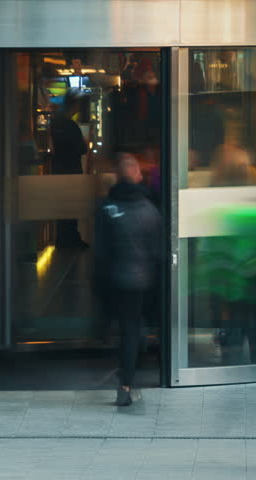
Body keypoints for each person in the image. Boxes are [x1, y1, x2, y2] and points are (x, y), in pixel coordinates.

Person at [94, 152, 162, 406]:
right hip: (141, 279)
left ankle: (126, 376)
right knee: (133, 329)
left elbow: (100, 249)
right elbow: (157, 252)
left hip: (115, 278)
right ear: (136, 175)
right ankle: (127, 380)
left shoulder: (106, 207)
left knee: (127, 329)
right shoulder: (149, 209)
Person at [50, 89, 89, 248]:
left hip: (58, 169)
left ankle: (62, 238)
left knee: (62, 207)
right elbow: (81, 149)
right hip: (72, 170)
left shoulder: (55, 122)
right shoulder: (71, 126)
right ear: (73, 104)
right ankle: (71, 239)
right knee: (72, 207)